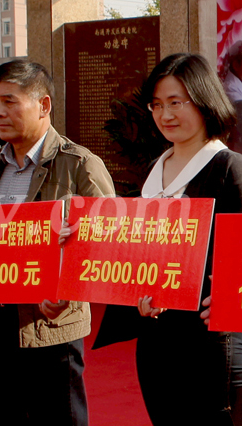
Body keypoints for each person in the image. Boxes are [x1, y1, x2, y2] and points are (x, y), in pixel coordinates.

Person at [0, 59, 114, 426]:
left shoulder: (79, 164)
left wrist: (67, 292)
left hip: (49, 326)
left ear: (43, 105)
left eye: (9, 101)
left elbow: (106, 243)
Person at [129, 53, 242, 425]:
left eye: (176, 102)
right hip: (157, 345)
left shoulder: (229, 169)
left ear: (204, 100)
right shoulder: (153, 172)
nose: (166, 115)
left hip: (214, 346)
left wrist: (236, 296)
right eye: (157, 105)